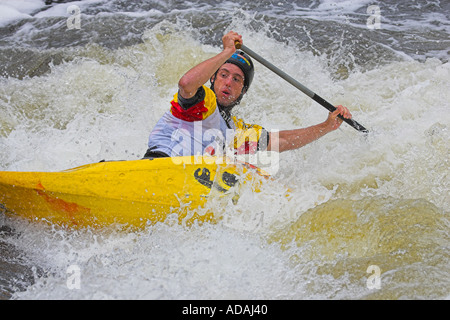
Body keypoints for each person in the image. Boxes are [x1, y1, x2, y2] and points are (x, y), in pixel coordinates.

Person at [144, 31, 352, 160]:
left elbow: (282, 140)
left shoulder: (236, 130)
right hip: (157, 165)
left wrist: (326, 127)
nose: (228, 83)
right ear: (213, 80)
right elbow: (186, 84)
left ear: (243, 91)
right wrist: (226, 52)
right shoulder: (203, 100)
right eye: (223, 75)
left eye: (236, 79)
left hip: (186, 184)